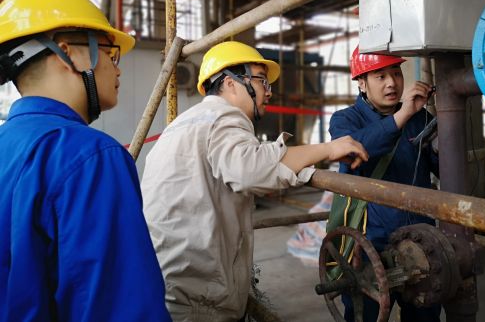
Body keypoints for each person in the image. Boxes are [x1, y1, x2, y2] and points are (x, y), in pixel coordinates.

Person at [141, 40, 369, 322]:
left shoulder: (183, 123)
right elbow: (251, 168)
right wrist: (329, 149)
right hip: (198, 298)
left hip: (166, 279)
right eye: (261, 81)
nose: (268, 91)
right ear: (230, 83)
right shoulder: (223, 117)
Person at [0, 0, 170, 322]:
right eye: (110, 53)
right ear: (71, 53)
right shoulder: (91, 157)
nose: (118, 68)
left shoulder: (8, 144)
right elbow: (123, 310)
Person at [329, 46, 440, 322]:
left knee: (424, 315)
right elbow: (357, 149)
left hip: (420, 239)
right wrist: (403, 115)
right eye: (380, 76)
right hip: (368, 245)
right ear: (362, 83)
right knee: (366, 315)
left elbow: (442, 168)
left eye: (396, 73)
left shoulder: (420, 118)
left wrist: (445, 135)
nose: (392, 83)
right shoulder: (344, 120)